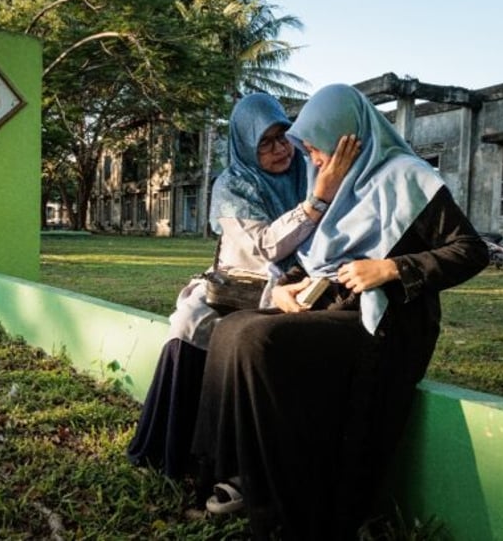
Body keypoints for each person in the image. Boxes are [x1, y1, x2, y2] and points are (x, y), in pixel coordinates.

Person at [191, 84, 489, 539]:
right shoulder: (334, 188)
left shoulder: (407, 177)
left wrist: (391, 267)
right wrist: (289, 289)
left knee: (257, 340)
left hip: (389, 319)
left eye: (315, 150)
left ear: (347, 139)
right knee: (231, 329)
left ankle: (283, 495)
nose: (311, 161)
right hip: (333, 307)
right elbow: (315, 260)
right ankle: (239, 475)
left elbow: (471, 250)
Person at [126, 93, 360, 480]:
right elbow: (264, 246)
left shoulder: (307, 170)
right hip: (242, 280)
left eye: (283, 135)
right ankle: (173, 450)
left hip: (303, 278)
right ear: (245, 145)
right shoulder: (232, 185)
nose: (279, 149)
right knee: (191, 320)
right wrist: (317, 201)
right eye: (264, 141)